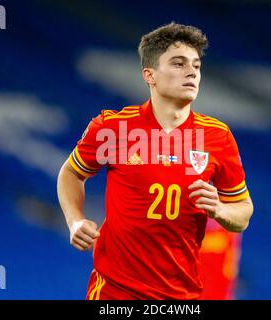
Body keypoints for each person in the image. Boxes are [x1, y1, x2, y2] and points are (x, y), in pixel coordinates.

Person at [57, 22, 254, 300]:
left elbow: (243, 211)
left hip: (182, 297)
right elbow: (71, 174)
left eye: (196, 66)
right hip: (116, 293)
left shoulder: (217, 137)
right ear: (150, 76)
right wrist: (75, 220)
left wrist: (221, 210)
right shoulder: (114, 128)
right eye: (178, 64)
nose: (191, 73)